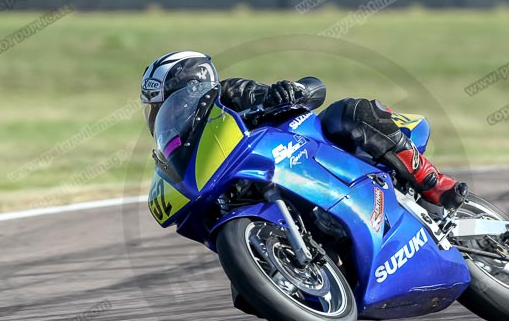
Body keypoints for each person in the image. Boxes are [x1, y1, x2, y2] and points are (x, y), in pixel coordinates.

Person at [141, 51, 468, 209]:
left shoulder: (230, 93)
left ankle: (431, 181)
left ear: (194, 89)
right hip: (260, 183)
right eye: (155, 110)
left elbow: (283, 94)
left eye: (167, 104)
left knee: (349, 112)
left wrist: (284, 92)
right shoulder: (187, 150)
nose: (161, 116)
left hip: (298, 152)